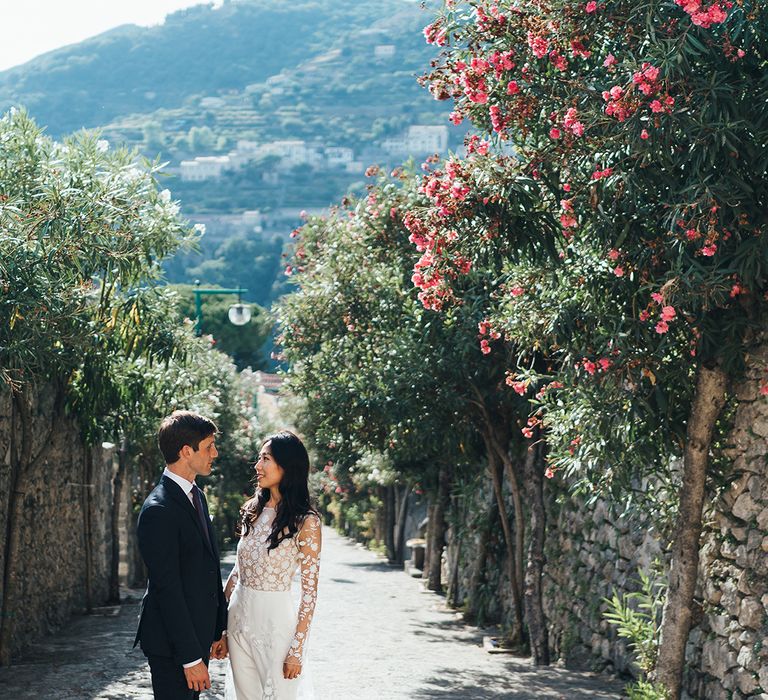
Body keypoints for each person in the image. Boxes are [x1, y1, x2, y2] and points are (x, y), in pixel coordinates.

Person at [134, 410, 229, 699]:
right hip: (172, 647)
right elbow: (167, 589)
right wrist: (190, 658)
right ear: (187, 451)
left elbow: (209, 566)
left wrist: (217, 629)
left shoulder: (196, 495)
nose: (215, 452)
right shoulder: (158, 510)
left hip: (197, 636)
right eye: (209, 446)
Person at [224, 430, 322, 700]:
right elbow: (237, 571)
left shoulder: (306, 522)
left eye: (265, 459)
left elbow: (309, 593)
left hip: (276, 626)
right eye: (259, 458)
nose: (258, 466)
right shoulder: (251, 511)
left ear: (287, 466)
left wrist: (297, 649)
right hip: (238, 622)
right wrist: (219, 628)